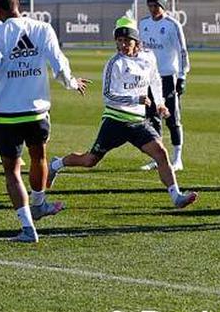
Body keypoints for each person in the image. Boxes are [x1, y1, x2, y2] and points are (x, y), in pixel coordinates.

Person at [0, 0, 90, 243]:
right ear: (18, 4)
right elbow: (58, 63)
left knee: (12, 172)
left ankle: (27, 227)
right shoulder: (42, 28)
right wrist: (71, 83)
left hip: (8, 115)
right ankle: (39, 203)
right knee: (39, 158)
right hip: (37, 112)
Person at [49, 18, 198, 212]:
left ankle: (176, 196)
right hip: (115, 121)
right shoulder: (114, 64)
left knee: (161, 153)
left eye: (127, 41)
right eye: (119, 40)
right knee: (89, 160)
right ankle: (56, 164)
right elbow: (108, 96)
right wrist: (135, 99)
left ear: (136, 41)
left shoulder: (149, 57)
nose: (122, 45)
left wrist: (160, 104)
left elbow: (155, 81)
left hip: (138, 122)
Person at [138, 0, 190, 172]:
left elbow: (182, 52)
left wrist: (182, 77)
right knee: (151, 118)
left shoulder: (172, 25)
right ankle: (159, 157)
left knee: (172, 118)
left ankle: (177, 159)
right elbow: (139, 49)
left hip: (168, 77)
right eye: (150, 6)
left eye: (156, 6)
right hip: (149, 79)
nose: (153, 9)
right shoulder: (143, 23)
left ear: (163, 6)